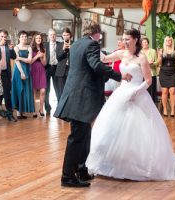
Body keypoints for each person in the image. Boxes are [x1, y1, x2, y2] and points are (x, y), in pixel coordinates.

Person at [85, 29, 175, 181]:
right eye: (123, 39)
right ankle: (113, 162)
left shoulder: (142, 58)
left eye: (127, 39)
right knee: (110, 127)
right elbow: (104, 59)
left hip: (137, 94)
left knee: (138, 131)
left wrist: (136, 92)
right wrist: (93, 43)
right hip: (121, 93)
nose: (124, 42)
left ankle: (138, 165)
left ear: (135, 40)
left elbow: (148, 80)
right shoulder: (121, 53)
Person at [54, 20, 128, 187]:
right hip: (82, 97)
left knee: (85, 134)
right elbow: (95, 66)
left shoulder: (76, 44)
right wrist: (118, 75)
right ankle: (67, 177)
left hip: (75, 94)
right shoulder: (92, 45)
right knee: (77, 137)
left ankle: (81, 170)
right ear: (96, 33)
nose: (99, 37)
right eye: (99, 34)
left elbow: (84, 68)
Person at [11, 30, 34, 119]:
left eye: (25, 36)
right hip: (19, 70)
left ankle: (22, 111)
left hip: (27, 70)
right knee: (19, 89)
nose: (24, 38)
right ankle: (18, 113)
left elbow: (30, 60)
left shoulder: (29, 48)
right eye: (22, 36)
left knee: (26, 90)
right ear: (19, 38)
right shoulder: (16, 48)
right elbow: (16, 62)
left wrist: (19, 57)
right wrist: (22, 72)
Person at [0, 29, 17, 122]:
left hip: (6, 73)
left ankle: (9, 114)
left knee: (7, 94)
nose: (3, 38)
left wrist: (12, 49)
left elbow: (14, 57)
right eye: (1, 36)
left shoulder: (8, 47)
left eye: (5, 37)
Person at [158, 36, 175, 117]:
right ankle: (165, 109)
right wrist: (160, 55)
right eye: (166, 40)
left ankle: (173, 110)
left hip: (172, 73)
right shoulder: (161, 50)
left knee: (173, 91)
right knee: (164, 92)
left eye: (169, 40)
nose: (168, 42)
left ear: (171, 42)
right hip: (163, 73)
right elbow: (159, 63)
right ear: (165, 42)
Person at [30, 33, 47, 117]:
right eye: (37, 38)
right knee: (33, 92)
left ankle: (41, 109)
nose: (38, 39)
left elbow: (44, 63)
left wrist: (41, 57)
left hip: (41, 70)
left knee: (43, 91)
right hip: (33, 70)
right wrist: (37, 56)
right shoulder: (30, 48)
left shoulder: (43, 49)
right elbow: (30, 61)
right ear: (34, 39)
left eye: (40, 38)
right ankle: (34, 110)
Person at [55, 27, 72, 101]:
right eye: (64, 35)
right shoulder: (59, 45)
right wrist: (63, 50)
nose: (66, 37)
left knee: (70, 91)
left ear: (70, 35)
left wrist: (72, 49)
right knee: (61, 92)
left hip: (71, 71)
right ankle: (61, 110)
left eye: (67, 35)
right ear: (62, 36)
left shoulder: (75, 44)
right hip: (61, 71)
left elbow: (76, 57)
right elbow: (58, 58)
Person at [45, 29, 59, 115]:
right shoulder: (45, 45)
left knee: (57, 88)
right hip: (47, 68)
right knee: (47, 89)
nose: (52, 36)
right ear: (48, 36)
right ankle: (47, 107)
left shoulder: (60, 44)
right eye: (51, 35)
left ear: (56, 35)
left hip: (57, 68)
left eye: (54, 35)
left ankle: (59, 107)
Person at [141, 37, 159, 104]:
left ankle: (152, 105)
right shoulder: (139, 52)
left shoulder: (153, 51)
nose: (145, 44)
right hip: (142, 74)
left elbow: (157, 63)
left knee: (152, 91)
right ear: (141, 44)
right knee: (144, 91)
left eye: (146, 42)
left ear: (148, 43)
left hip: (152, 74)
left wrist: (152, 63)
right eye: (143, 42)